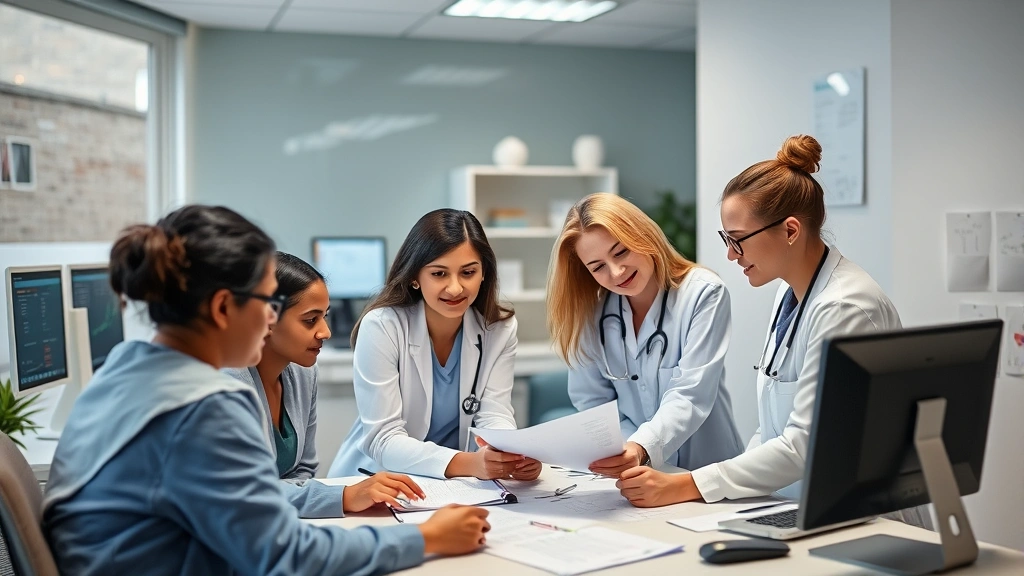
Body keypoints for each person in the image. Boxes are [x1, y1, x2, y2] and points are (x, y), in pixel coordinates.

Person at [43, 205, 490, 576]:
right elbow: (283, 555)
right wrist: (424, 537)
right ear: (223, 308)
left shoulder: (126, 368)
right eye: (265, 304)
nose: (270, 321)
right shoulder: (201, 407)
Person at [614, 135, 913, 513]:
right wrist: (724, 492)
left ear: (790, 231)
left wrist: (689, 485)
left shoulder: (844, 307)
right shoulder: (790, 295)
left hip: (865, 516)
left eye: (738, 240)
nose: (729, 254)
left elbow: (805, 443)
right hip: (798, 506)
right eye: (726, 239)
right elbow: (773, 430)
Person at [329, 209, 541, 482]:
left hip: (454, 483)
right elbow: (384, 439)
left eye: (468, 272)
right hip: (380, 478)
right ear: (415, 276)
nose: (455, 288)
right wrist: (471, 463)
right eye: (439, 273)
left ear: (484, 273)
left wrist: (511, 455)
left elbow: (495, 415)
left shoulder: (498, 329)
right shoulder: (382, 326)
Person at [546, 193, 743, 478]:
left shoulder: (702, 293)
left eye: (621, 251)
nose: (616, 272)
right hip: (635, 476)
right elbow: (593, 403)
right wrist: (626, 449)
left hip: (708, 474)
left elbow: (690, 394)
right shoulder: (591, 315)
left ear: (643, 235)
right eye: (598, 267)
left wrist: (642, 447)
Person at [225, 252, 339, 518]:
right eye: (310, 320)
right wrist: (341, 497)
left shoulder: (303, 372)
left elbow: (304, 470)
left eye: (325, 317)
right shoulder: (228, 383)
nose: (325, 332)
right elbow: (243, 494)